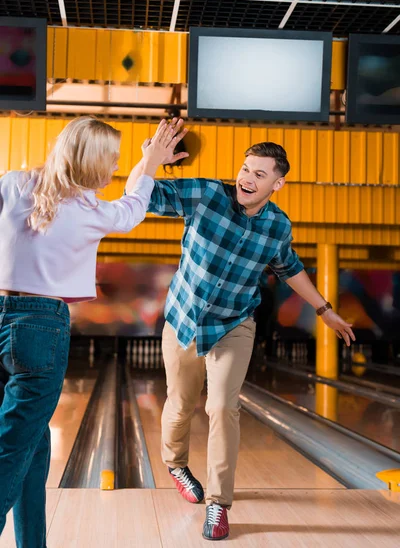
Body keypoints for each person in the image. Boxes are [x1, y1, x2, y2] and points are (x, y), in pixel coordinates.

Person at [125, 120, 355, 541]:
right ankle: (176, 464)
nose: (247, 178)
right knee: (180, 402)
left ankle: (218, 504)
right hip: (184, 320)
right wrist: (150, 159)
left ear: (277, 184)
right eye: (246, 169)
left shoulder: (277, 226)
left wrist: (325, 311)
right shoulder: (207, 194)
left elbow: (291, 269)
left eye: (260, 174)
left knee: (223, 408)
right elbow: (139, 196)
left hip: (235, 324)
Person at [0, 115, 186, 547]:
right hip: (40, 326)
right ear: (95, 161)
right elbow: (135, 202)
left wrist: (148, 158)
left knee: (30, 440)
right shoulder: (91, 212)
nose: (116, 167)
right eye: (113, 160)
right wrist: (152, 162)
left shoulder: (12, 183)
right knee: (11, 446)